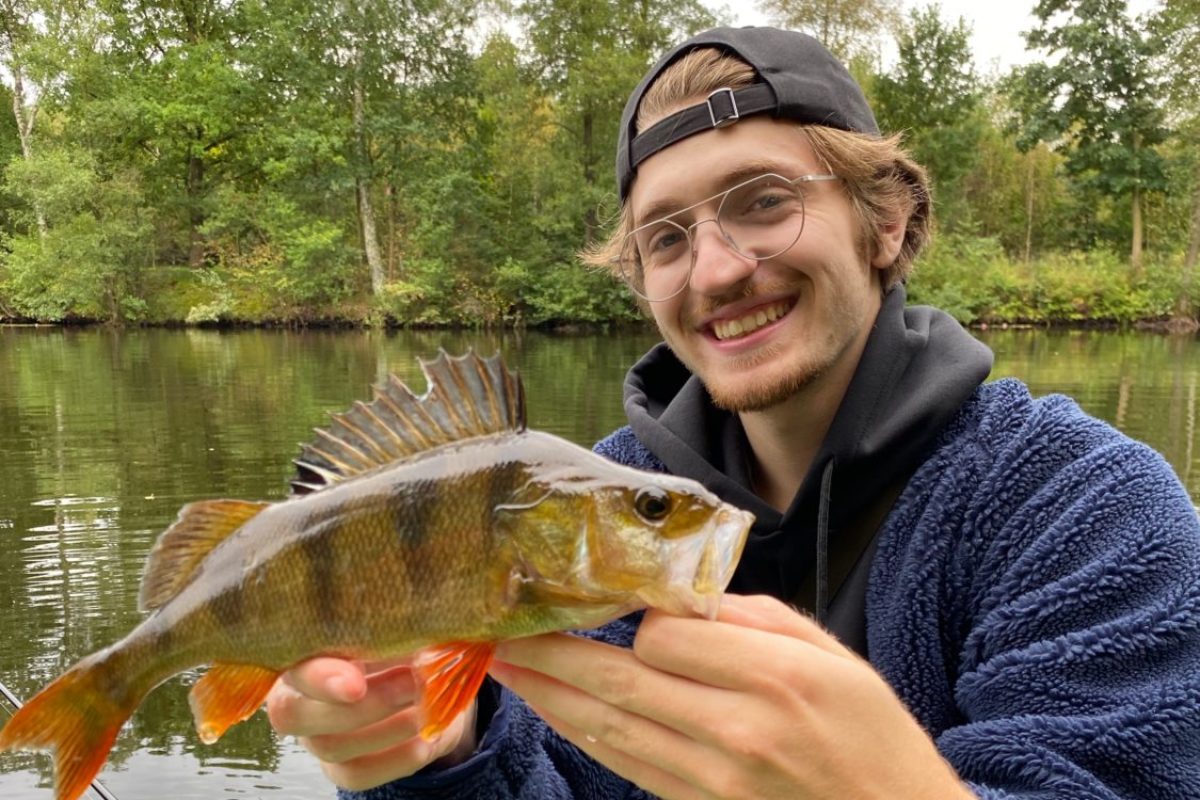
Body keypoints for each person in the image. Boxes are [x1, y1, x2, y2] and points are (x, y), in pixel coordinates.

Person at [265, 26, 1200, 799]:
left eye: (763, 202)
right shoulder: (591, 508)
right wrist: (441, 756)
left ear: (888, 220)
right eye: (666, 238)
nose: (714, 269)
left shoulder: (1087, 508)